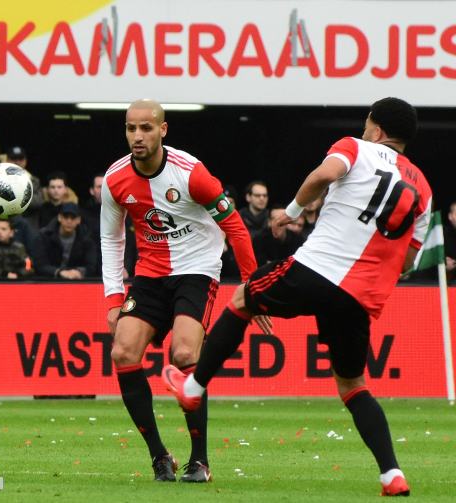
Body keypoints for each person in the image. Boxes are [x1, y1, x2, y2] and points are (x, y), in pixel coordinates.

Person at [162, 97, 430, 497]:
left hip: (317, 270)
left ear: (376, 129)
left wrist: (292, 210)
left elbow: (324, 174)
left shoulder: (355, 148)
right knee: (353, 385)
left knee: (243, 299)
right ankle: (392, 475)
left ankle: (194, 387)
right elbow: (409, 260)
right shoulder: (424, 189)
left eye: (366, 124)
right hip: (361, 297)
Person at [101, 99, 259, 483]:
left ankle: (199, 461)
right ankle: (159, 456)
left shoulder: (192, 173)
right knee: (122, 351)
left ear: (163, 130)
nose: (137, 136)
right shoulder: (115, 179)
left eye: (146, 128)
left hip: (197, 271)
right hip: (150, 276)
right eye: (130, 129)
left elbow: (236, 228)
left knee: (184, 352)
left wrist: (253, 288)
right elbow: (110, 237)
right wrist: (112, 297)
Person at [33, 202, 96, 279]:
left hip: (77, 282)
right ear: (59, 218)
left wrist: (79, 271)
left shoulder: (86, 239)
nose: (69, 221)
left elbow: (91, 266)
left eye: (73, 218)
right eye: (66, 217)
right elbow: (40, 265)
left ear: (78, 220)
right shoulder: (43, 236)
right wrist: (58, 272)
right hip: (48, 281)